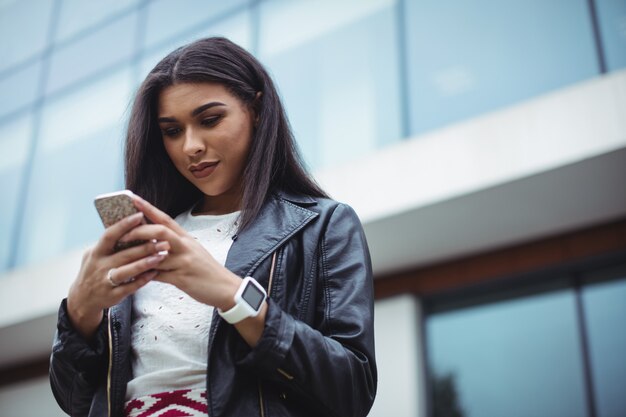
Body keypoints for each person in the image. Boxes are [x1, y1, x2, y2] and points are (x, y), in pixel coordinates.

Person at [49, 37, 376, 417]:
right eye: (172, 131)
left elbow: (350, 390)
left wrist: (232, 294)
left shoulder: (322, 226)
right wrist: (80, 312)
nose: (190, 146)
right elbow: (74, 400)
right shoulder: (144, 239)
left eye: (209, 120)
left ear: (255, 109)